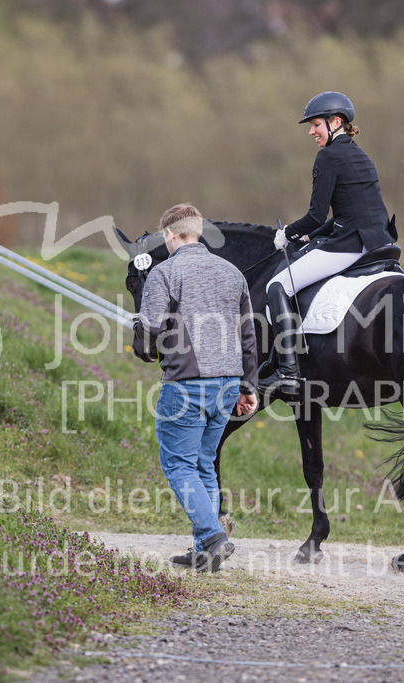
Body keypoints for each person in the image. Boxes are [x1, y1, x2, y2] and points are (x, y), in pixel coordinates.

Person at [132, 203, 259, 572]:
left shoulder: (166, 271)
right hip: (228, 384)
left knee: (178, 464)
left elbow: (152, 328)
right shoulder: (232, 272)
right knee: (204, 463)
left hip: (187, 384)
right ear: (197, 232)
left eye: (165, 237)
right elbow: (248, 334)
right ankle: (205, 552)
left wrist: (142, 340)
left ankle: (213, 536)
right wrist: (247, 386)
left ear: (170, 236)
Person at [262, 91, 397, 397]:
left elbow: (314, 215)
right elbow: (352, 210)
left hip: (350, 245)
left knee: (277, 287)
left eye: (316, 125)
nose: (311, 132)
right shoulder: (361, 155)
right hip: (377, 241)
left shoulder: (328, 156)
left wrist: (289, 234)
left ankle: (288, 372)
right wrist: (312, 236)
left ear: (336, 122)